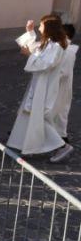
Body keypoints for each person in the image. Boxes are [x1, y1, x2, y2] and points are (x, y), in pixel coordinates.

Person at [8, 16, 70, 158]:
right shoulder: (47, 43)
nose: (39, 27)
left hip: (45, 86)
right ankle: (26, 145)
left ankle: (62, 146)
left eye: (41, 25)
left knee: (38, 116)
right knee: (30, 113)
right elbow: (31, 49)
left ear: (49, 28)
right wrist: (30, 32)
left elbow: (46, 64)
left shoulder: (56, 47)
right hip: (38, 84)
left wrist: (30, 55)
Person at [50, 23, 78, 162]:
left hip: (60, 89)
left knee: (55, 117)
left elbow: (63, 72)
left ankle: (63, 146)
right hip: (57, 88)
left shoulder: (68, 51)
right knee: (57, 118)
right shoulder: (62, 48)